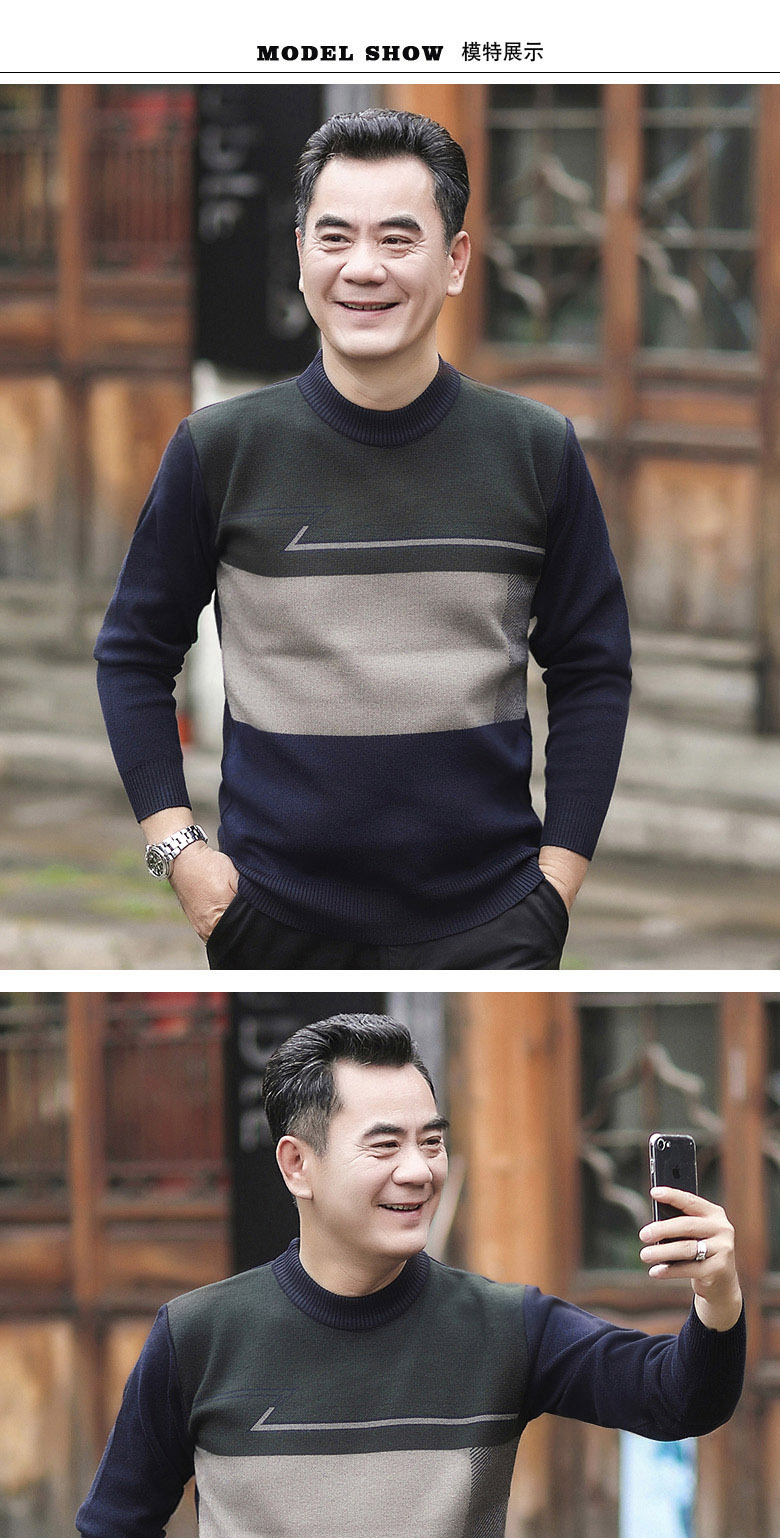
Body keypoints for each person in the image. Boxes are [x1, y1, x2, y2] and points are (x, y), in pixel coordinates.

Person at [76, 1010, 746, 1538]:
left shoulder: (503, 1327)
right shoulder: (200, 1334)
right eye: (385, 1143)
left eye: (432, 1141)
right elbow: (114, 1527)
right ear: (297, 1164)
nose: (420, 1169)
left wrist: (718, 1298)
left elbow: (677, 1396)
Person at [93, 104, 631, 973]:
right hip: (272, 920)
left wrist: (558, 882)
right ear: (301, 252)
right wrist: (179, 852)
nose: (364, 267)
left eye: (398, 238)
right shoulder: (221, 448)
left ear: (455, 261)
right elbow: (132, 651)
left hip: (492, 923)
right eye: (335, 236)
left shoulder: (534, 449)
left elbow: (592, 666)